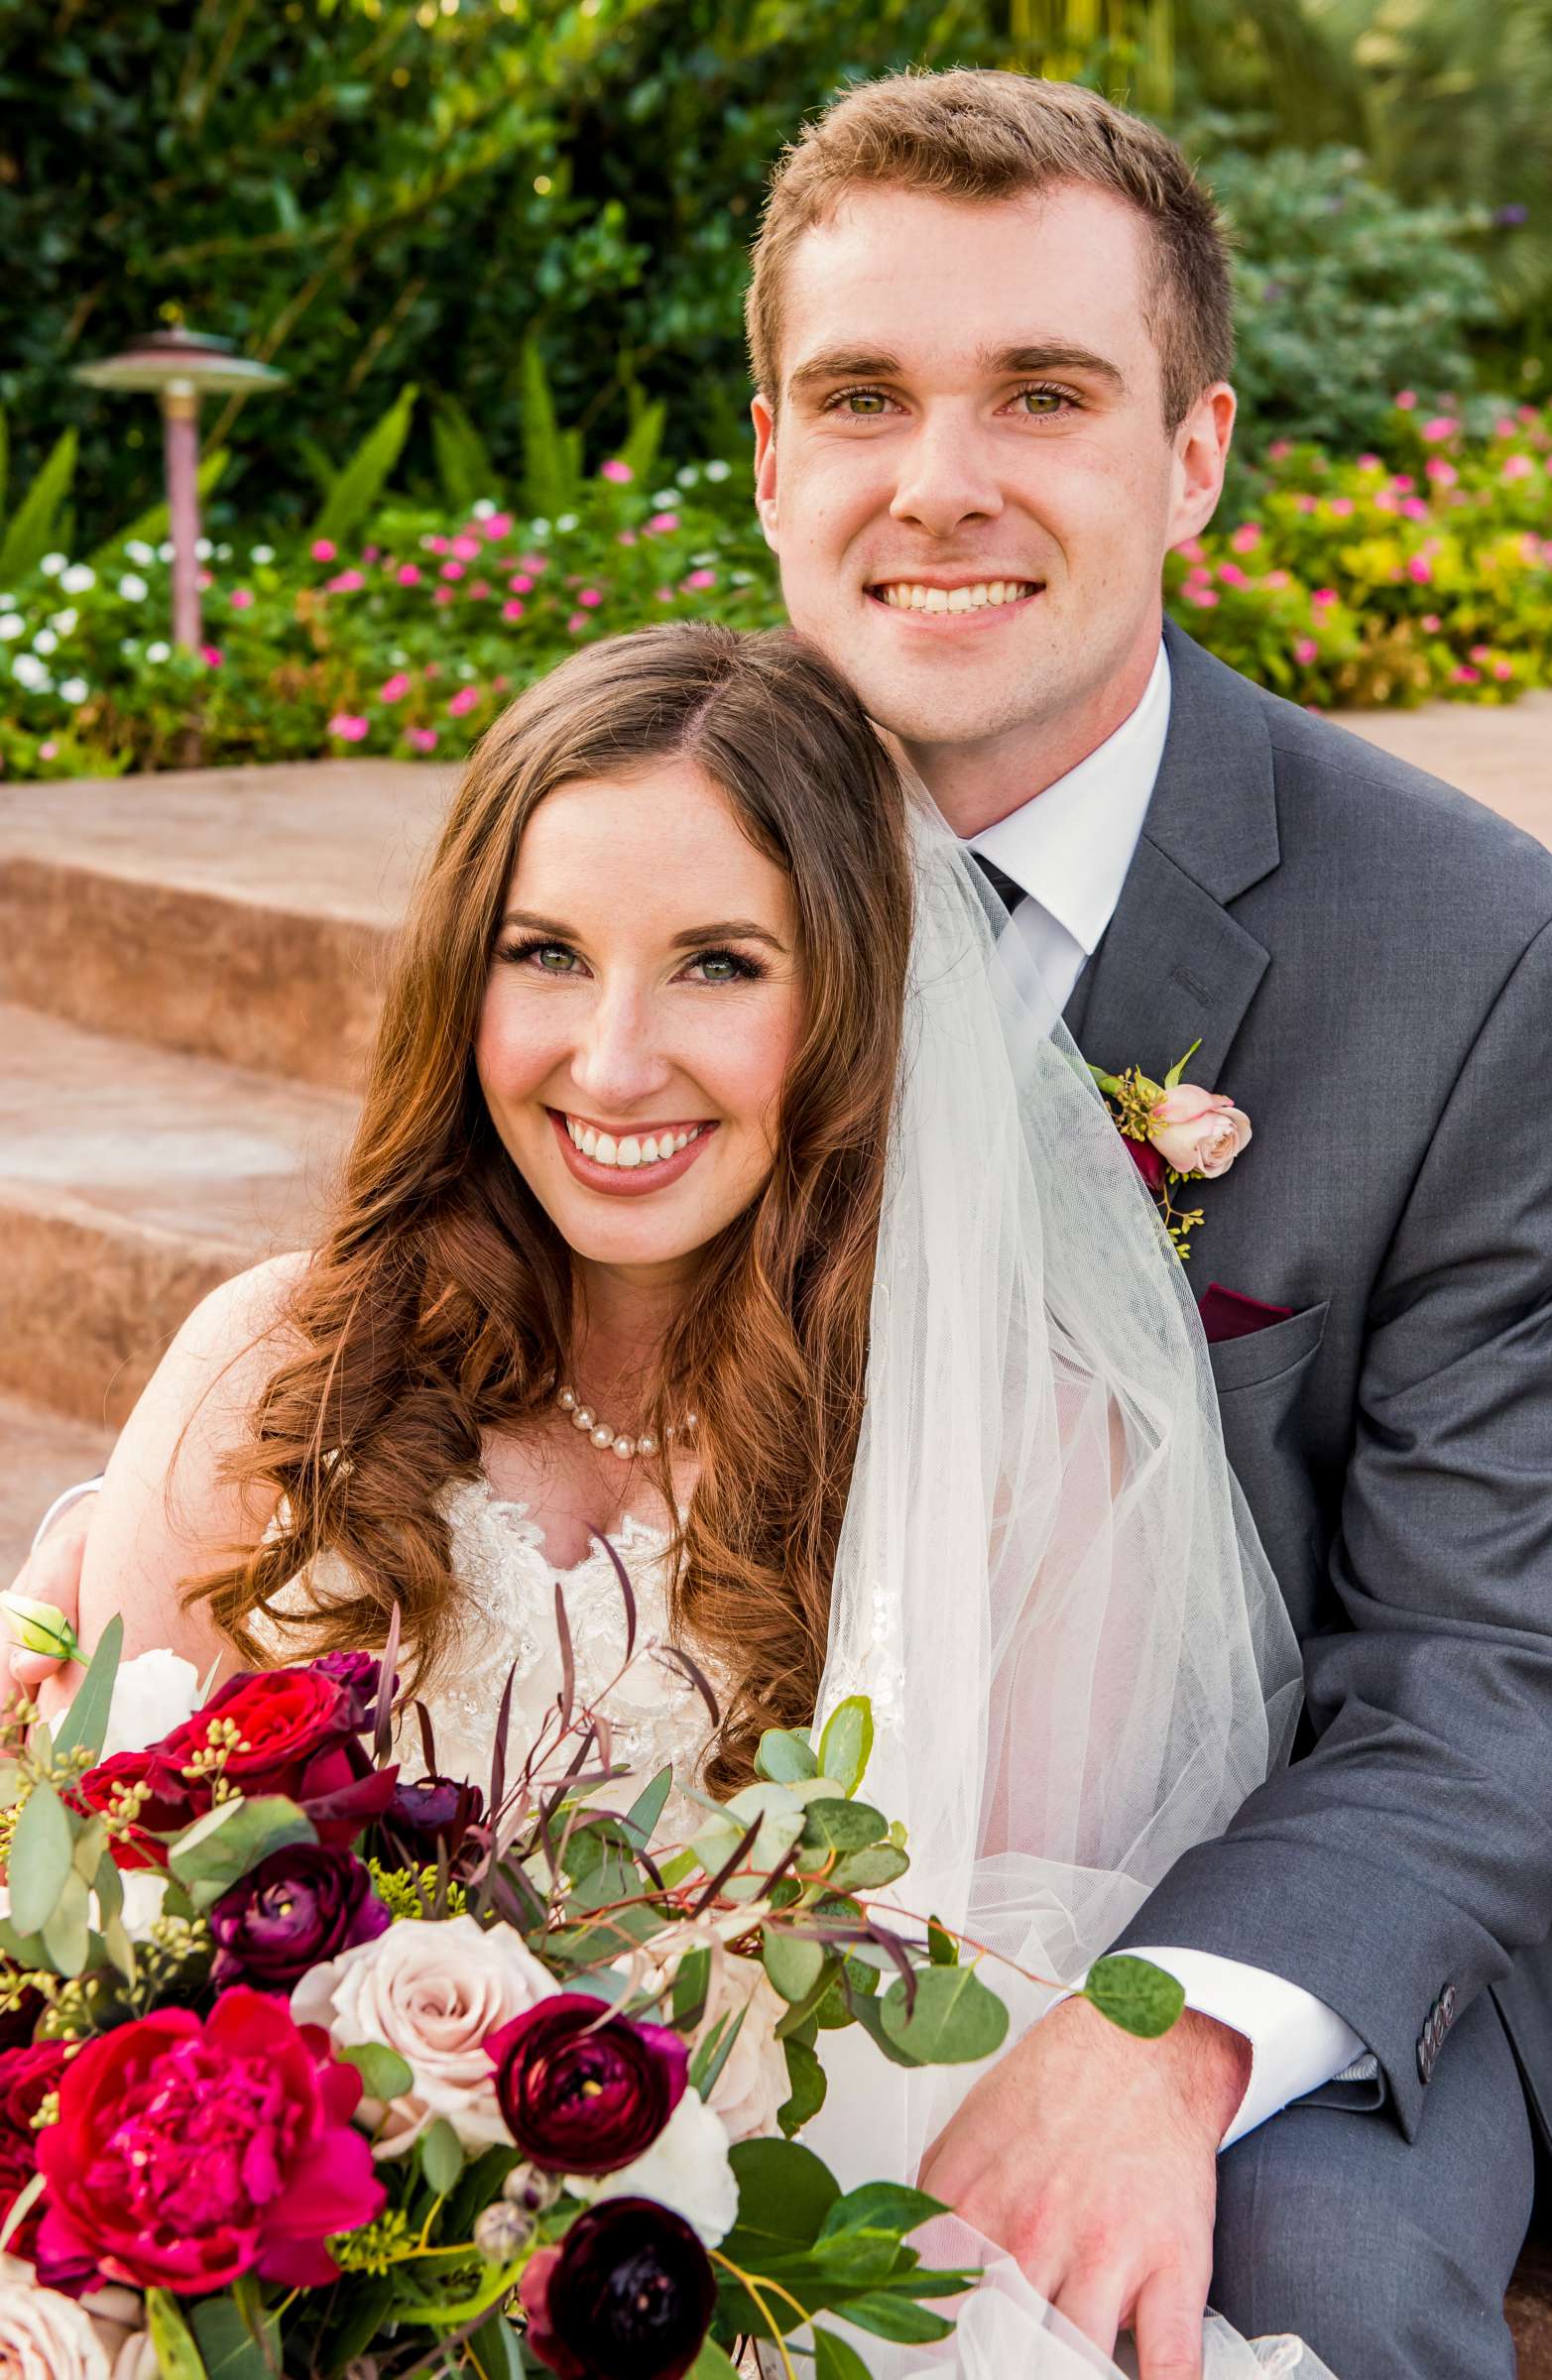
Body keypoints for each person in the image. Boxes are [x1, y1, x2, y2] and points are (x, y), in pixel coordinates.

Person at [16, 62, 1552, 2380]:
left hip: (1257, 1905)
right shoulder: (635, 833)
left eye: (1045, 392)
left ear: (1197, 449)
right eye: (863, 398)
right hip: (639, 1867)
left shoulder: (1467, 960)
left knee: (1281, 2287)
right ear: (767, 457)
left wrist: (1172, 2032)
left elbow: (1491, 1661)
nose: (941, 484)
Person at [24, 619, 1314, 2380]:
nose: (612, 1062)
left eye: (716, 965)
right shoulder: (273, 1381)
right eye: (544, 955)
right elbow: (116, 1967)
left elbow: (975, 2098)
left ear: (853, 999)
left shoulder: (1026, 1471)